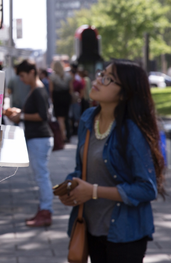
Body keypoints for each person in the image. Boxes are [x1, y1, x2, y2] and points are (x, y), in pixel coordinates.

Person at [58, 59, 166, 263]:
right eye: (101, 74)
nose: (99, 80)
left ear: (125, 93)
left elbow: (147, 188)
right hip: (91, 228)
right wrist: (70, 187)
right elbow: (81, 170)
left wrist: (93, 191)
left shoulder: (131, 130)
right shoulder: (88, 118)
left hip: (125, 234)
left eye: (109, 79)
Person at [8, 59, 54, 227]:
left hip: (39, 138)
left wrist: (20, 116)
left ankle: (46, 211)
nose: (21, 79)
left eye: (22, 75)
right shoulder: (36, 89)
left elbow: (43, 116)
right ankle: (44, 210)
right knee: (41, 175)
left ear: (32, 72)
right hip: (38, 138)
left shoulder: (38, 90)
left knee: (42, 176)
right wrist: (19, 113)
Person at [49, 61, 72, 142]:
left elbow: (51, 89)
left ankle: (63, 136)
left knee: (60, 119)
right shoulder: (68, 76)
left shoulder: (52, 76)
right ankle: (68, 135)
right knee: (66, 117)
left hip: (57, 97)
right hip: (66, 97)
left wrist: (51, 98)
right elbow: (71, 89)